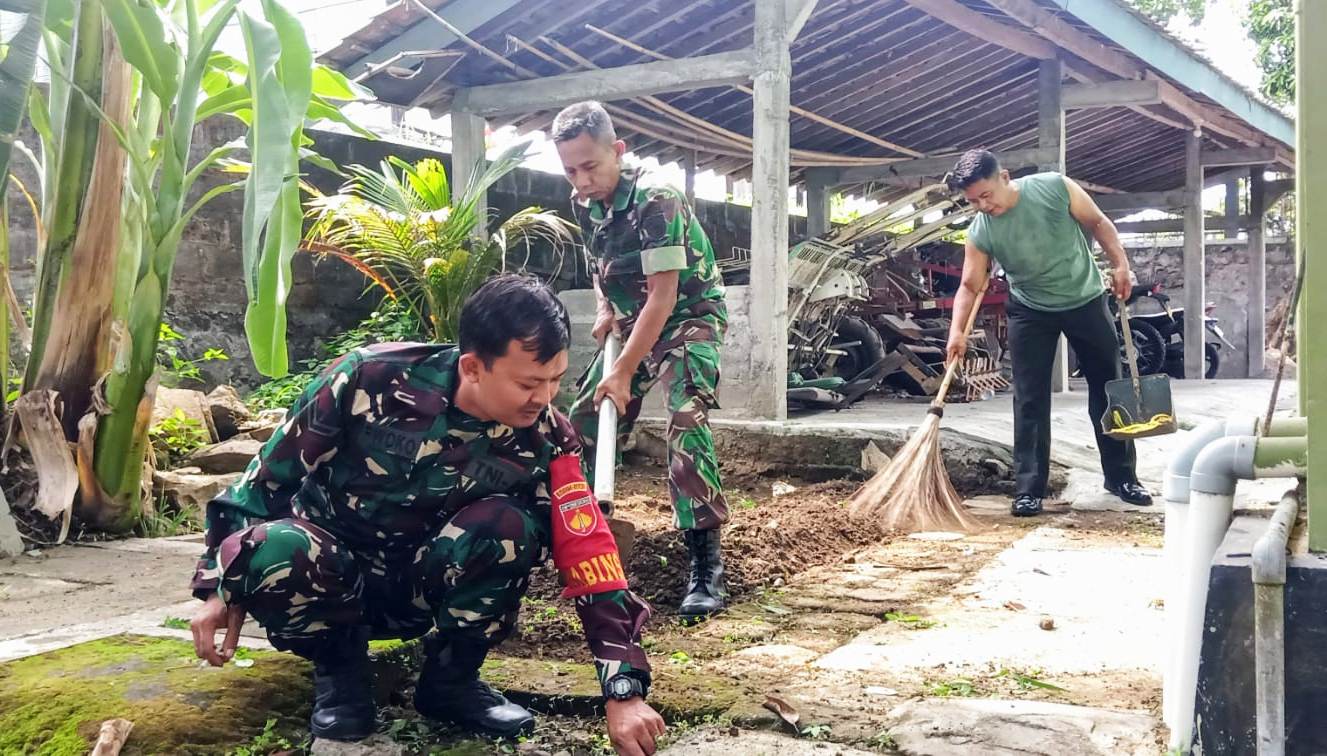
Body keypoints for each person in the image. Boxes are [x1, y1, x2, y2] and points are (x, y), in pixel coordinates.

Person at [189, 276, 666, 756]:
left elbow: (591, 557)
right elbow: (263, 483)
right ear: (473, 367)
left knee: (508, 527)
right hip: (329, 580)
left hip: (426, 587)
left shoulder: (547, 440)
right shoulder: (366, 378)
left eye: (556, 380)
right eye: (528, 383)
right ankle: (342, 680)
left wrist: (623, 692)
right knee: (275, 546)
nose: (544, 398)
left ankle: (450, 682)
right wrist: (215, 587)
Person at [551, 102, 731, 618]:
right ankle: (584, 542)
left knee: (684, 417)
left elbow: (664, 295)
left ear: (618, 151)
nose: (582, 180)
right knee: (581, 421)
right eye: (571, 170)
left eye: (591, 166)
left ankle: (705, 561)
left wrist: (624, 371)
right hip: (635, 318)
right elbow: (600, 266)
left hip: (687, 316)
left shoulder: (658, 200)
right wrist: (607, 307)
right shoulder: (585, 202)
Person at [945, 149, 1153, 517]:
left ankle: (1122, 478)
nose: (982, 205)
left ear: (1004, 177)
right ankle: (1029, 489)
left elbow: (1100, 224)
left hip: (1085, 299)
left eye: (986, 195)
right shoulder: (981, 230)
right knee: (1029, 399)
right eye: (973, 201)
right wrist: (957, 332)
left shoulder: (1055, 188)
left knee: (1109, 389)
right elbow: (969, 284)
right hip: (1030, 310)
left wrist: (1121, 265)